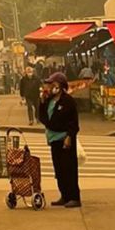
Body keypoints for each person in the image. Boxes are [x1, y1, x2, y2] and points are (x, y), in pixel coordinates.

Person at [38, 72, 81, 208]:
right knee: (59, 170)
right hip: (53, 139)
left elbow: (73, 123)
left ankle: (74, 197)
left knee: (69, 169)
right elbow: (43, 118)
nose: (50, 87)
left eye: (53, 84)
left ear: (60, 86)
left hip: (64, 139)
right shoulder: (50, 100)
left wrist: (69, 136)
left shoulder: (68, 101)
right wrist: (42, 102)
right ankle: (64, 195)